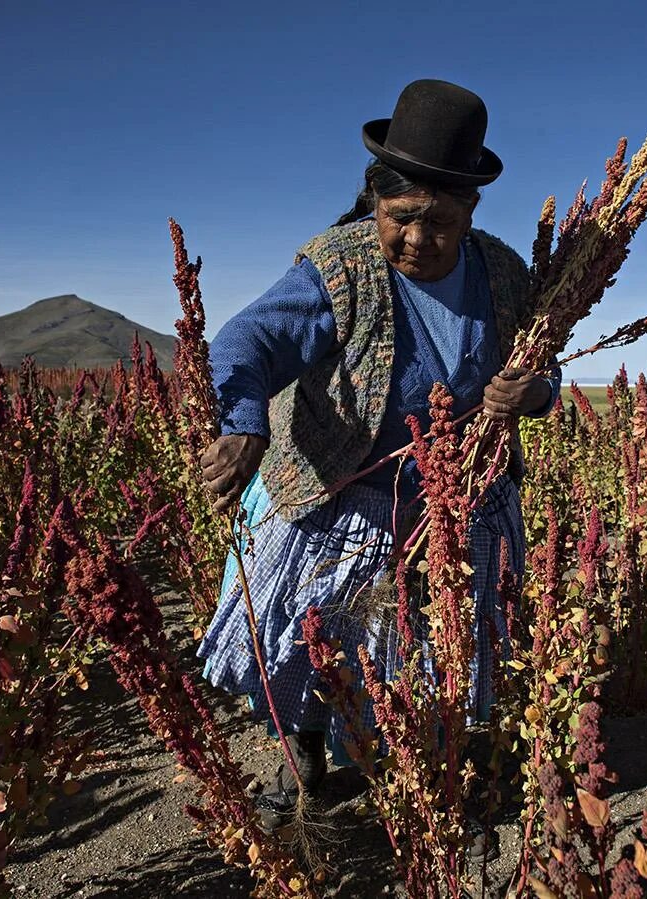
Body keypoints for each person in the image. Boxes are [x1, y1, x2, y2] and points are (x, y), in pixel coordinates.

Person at [197, 79, 559, 832]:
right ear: (374, 201)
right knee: (312, 643)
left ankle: (404, 769)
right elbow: (247, 340)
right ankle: (304, 761)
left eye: (441, 222)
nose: (419, 240)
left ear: (472, 212)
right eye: (401, 219)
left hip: (456, 504)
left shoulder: (504, 274)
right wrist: (244, 422)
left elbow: (546, 375)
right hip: (341, 499)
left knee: (423, 662)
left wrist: (528, 396)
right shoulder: (341, 264)